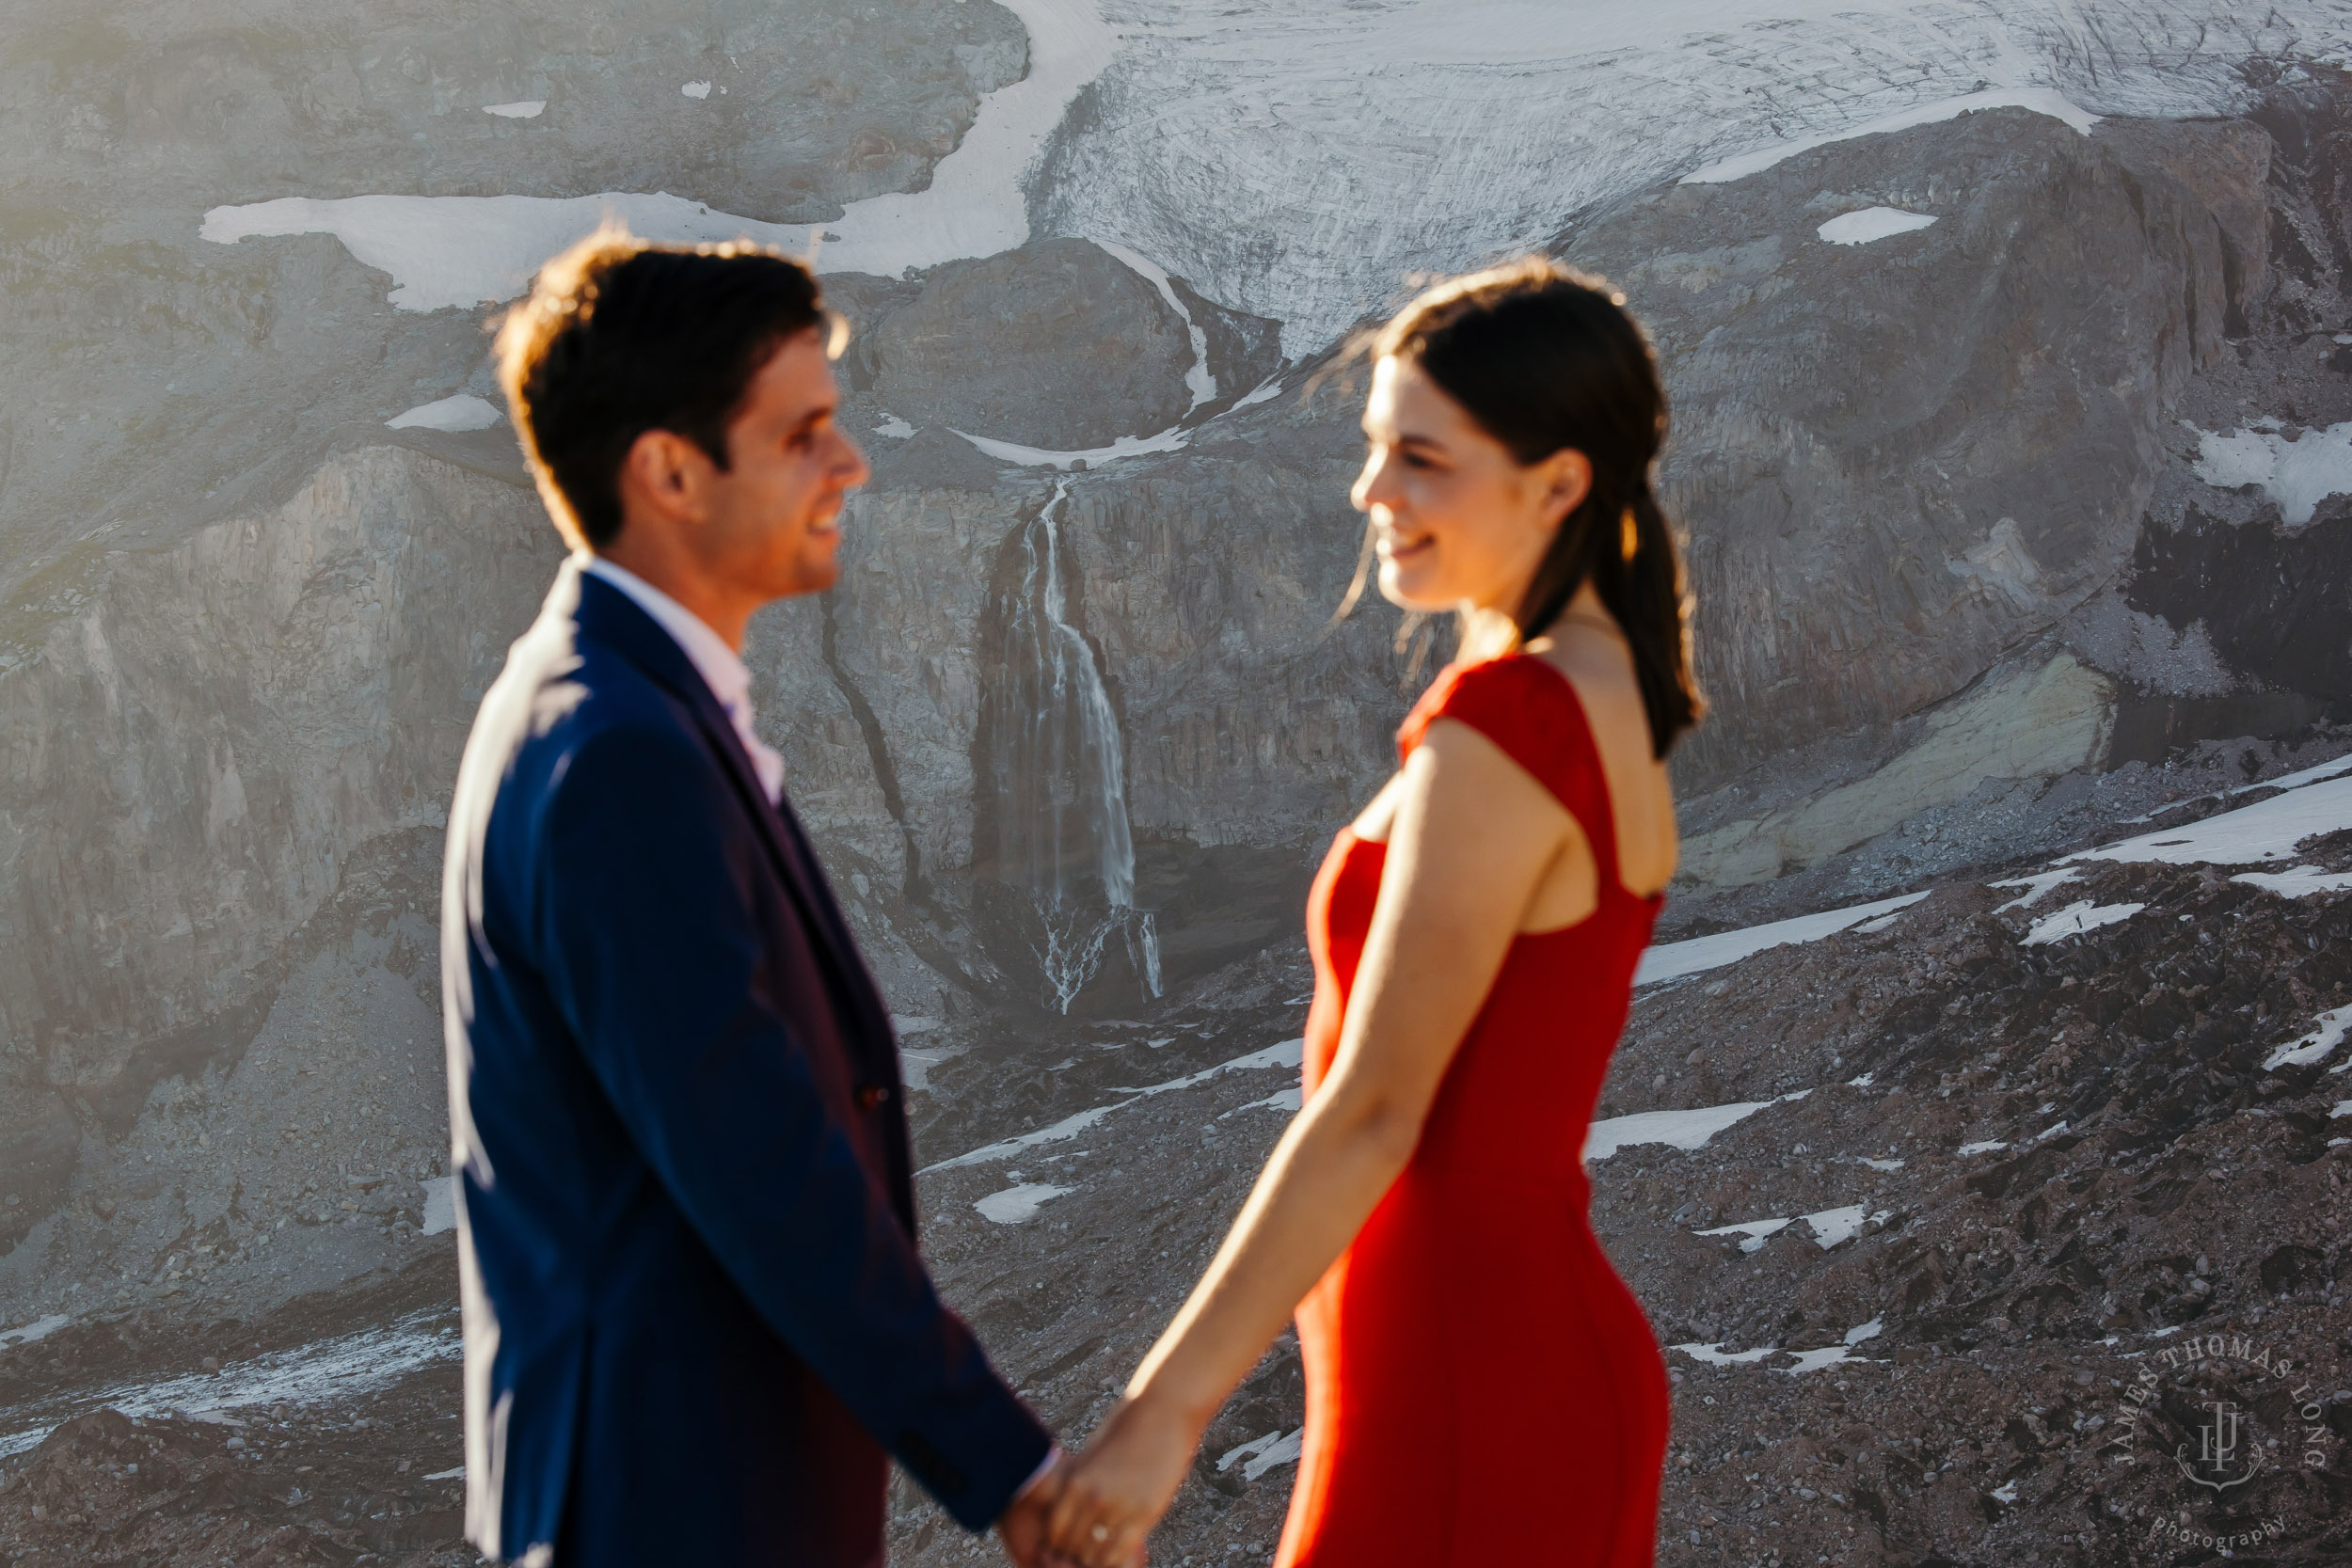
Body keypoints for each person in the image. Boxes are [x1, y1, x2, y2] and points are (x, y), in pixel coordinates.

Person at [1041, 258, 1706, 1567]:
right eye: (1374, 449)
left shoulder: (1508, 723)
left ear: (1559, 482)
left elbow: (1374, 1111)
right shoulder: (1600, 689)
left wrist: (1162, 1413)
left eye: (1422, 459)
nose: (1372, 494)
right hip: (1499, 1349)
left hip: (1461, 1369)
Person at [439, 230, 1062, 1568]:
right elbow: (758, 1163)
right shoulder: (620, 755)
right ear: (669, 471)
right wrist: (1011, 1473)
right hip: (674, 1509)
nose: (853, 465)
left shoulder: (605, 706)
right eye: (805, 434)